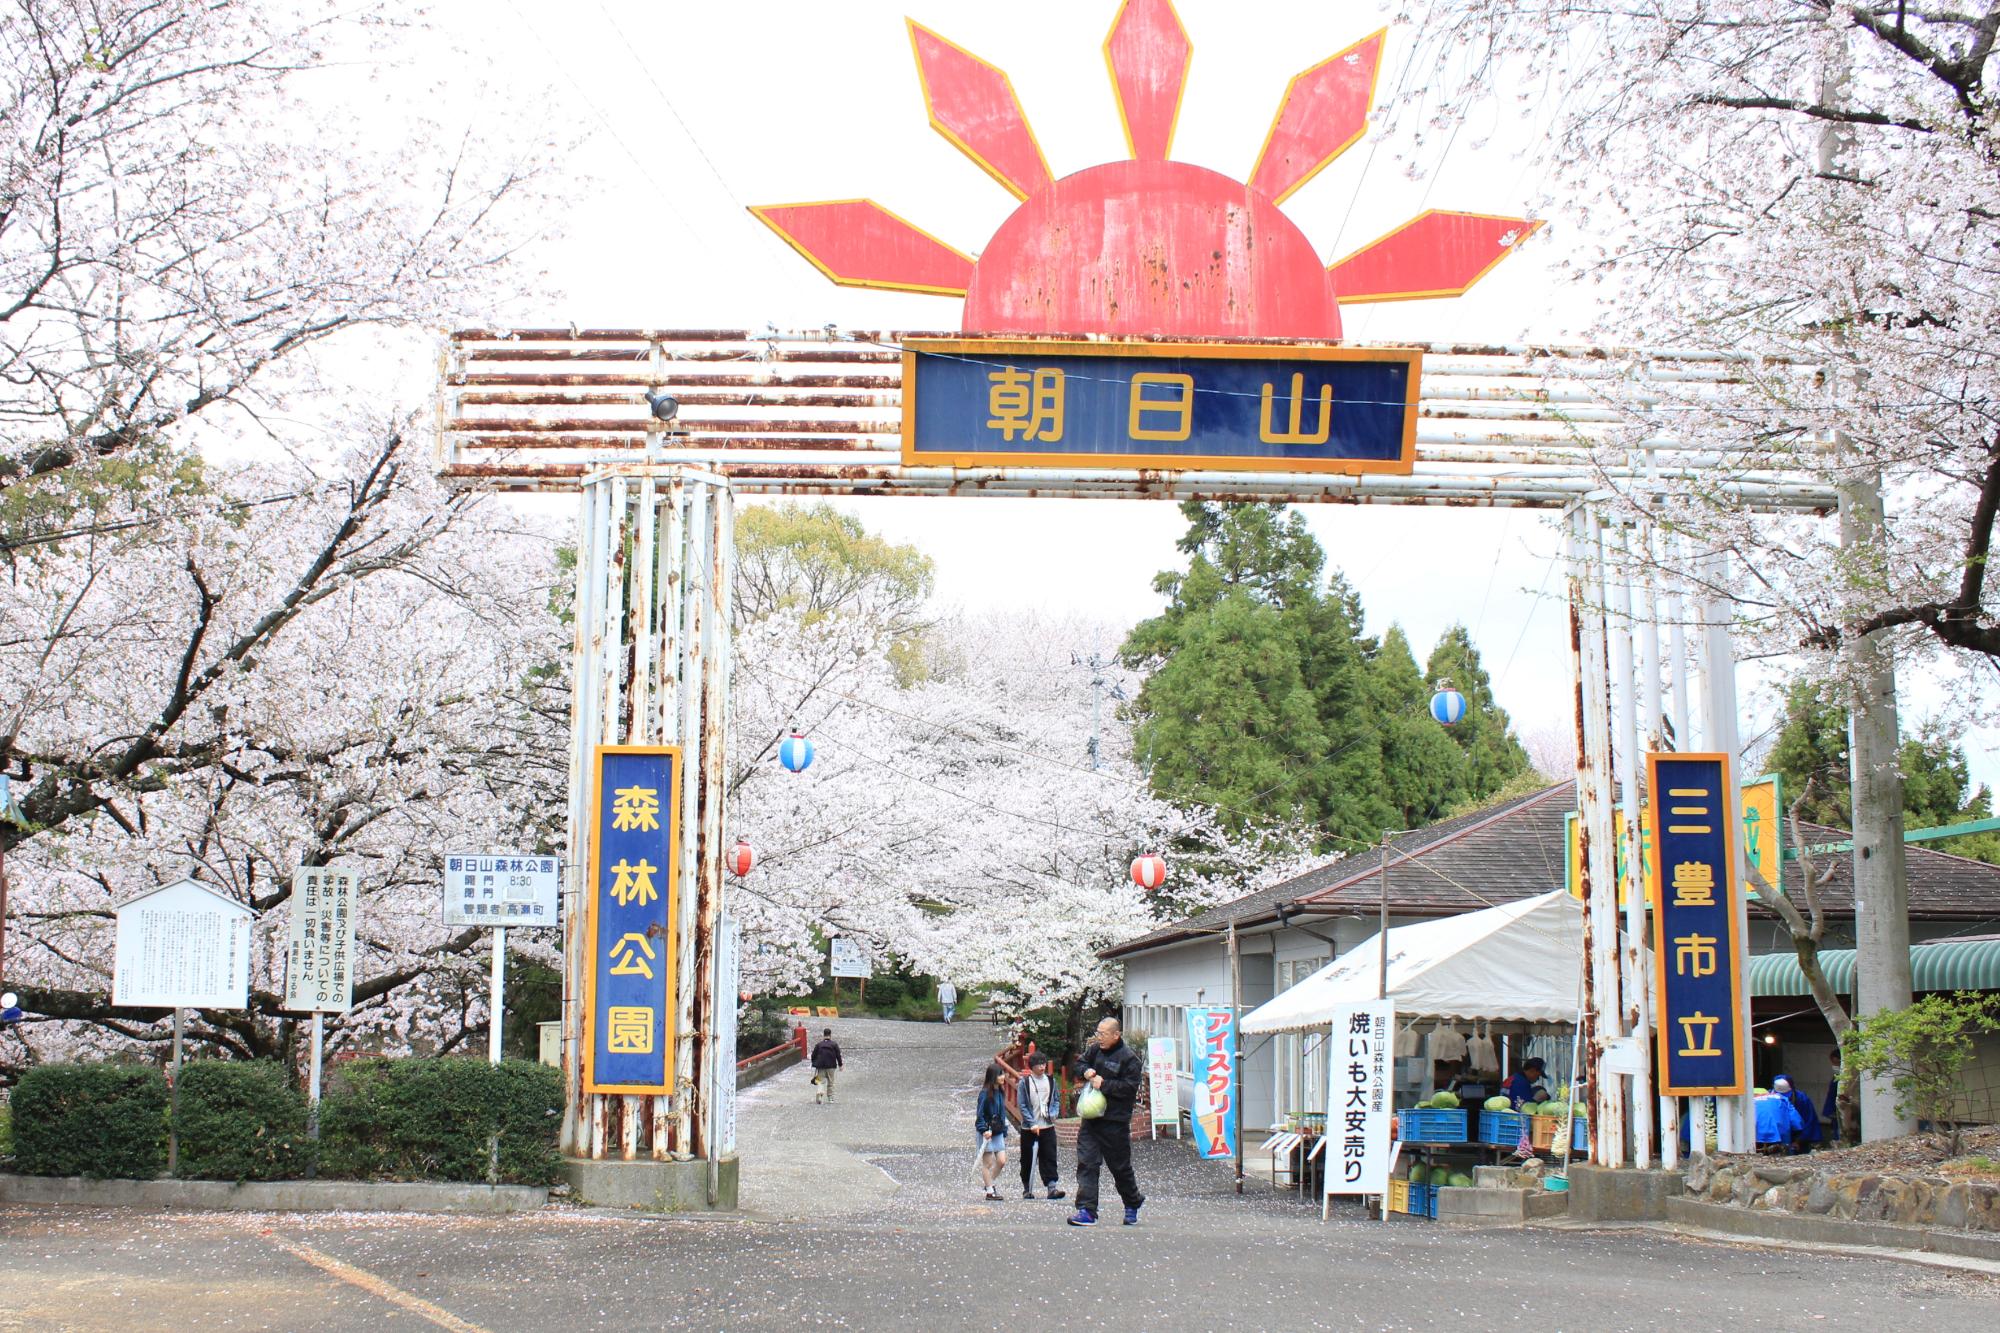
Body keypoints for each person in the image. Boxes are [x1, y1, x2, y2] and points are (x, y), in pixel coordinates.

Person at [1068, 1015, 1145, 1228]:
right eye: (1097, 1033)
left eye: (1103, 1034)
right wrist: (1086, 1071)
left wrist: (1105, 1084)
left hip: (1115, 1122)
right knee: (1087, 1163)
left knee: (1120, 1167)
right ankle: (1086, 1210)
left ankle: (1132, 1202)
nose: (1099, 1038)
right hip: (1091, 1120)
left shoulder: (1129, 1059)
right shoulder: (1095, 1051)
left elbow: (1129, 1088)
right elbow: (1080, 1063)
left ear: (1116, 1034)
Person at [1016, 1052, 1066, 1201]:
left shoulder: (1051, 1081)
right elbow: (1022, 1105)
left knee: (1050, 1157)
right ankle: (1027, 1189)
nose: (1042, 1067)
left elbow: (1056, 1099)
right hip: (1029, 1128)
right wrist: (1031, 1123)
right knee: (1027, 1159)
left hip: (1047, 1125)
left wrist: (1054, 1113)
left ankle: (1052, 1187)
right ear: (1032, 1067)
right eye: (1039, 1064)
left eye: (1044, 1064)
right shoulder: (1025, 1083)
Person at [975, 1062, 1009, 1200]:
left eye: (1003, 1074)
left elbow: (1002, 1114)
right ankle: (990, 1191)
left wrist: (1004, 1130)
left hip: (998, 1131)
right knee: (988, 1163)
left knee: (1001, 1160)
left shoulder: (1000, 1092)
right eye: (1000, 1074)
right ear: (993, 1076)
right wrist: (983, 1130)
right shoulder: (984, 1094)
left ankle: (989, 1182)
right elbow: (980, 1115)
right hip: (987, 1132)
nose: (1003, 1077)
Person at [1773, 1074, 1822, 1153]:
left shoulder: (1802, 1099)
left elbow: (1808, 1121)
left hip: (1800, 1135)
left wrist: (1798, 1141)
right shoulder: (1768, 1098)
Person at [810, 1027, 842, 1104]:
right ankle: (830, 1097)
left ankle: (820, 1093)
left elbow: (813, 1055)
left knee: (820, 1081)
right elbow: (838, 1055)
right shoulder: (834, 1044)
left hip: (821, 1066)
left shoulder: (819, 1045)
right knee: (831, 1082)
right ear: (830, 1035)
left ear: (823, 1035)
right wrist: (840, 1065)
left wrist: (814, 1062)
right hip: (831, 1066)